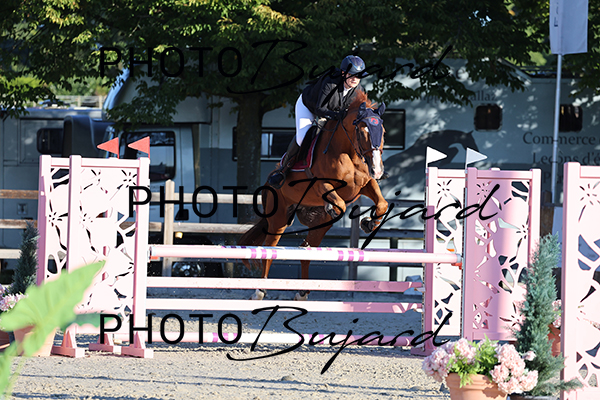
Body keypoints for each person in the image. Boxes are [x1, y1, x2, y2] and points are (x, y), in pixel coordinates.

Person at [266, 55, 366, 189]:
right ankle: (283, 170)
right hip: (309, 106)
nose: (355, 79)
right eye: (351, 75)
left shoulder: (359, 90)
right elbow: (320, 109)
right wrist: (337, 115)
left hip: (332, 111)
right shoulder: (330, 83)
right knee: (302, 137)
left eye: (358, 76)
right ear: (343, 73)